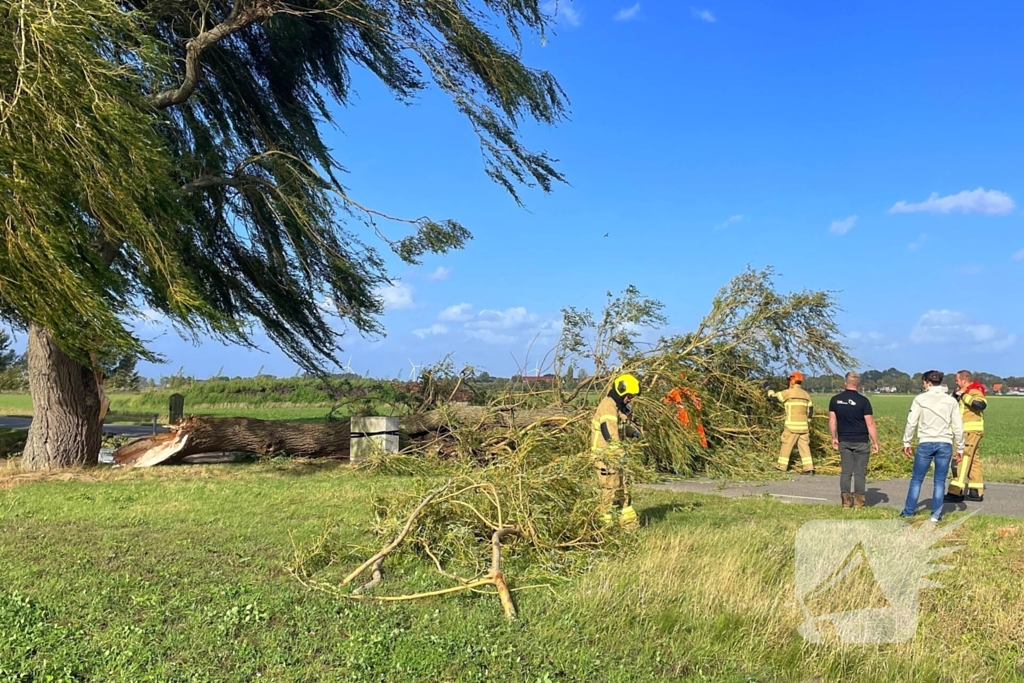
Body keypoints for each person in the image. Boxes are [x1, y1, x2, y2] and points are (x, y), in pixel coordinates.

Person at [901, 370, 964, 523]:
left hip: (926, 441)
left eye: (923, 382)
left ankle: (908, 511)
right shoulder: (951, 401)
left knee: (917, 479)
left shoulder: (920, 399)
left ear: (928, 382)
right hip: (945, 443)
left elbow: (911, 422)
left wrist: (907, 442)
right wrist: (960, 447)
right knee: (940, 481)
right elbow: (958, 426)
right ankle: (936, 515)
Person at [591, 373, 641, 527]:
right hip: (605, 456)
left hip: (614, 457)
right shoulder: (608, 405)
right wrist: (618, 451)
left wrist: (632, 432)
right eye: (628, 396)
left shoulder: (616, 407)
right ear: (621, 390)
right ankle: (605, 526)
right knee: (609, 489)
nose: (630, 399)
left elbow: (619, 427)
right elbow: (608, 430)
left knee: (623, 488)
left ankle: (627, 524)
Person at [828, 372, 880, 509]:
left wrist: (834, 438)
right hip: (861, 441)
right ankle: (859, 503)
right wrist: (875, 442)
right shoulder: (864, 401)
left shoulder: (835, 400)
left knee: (846, 472)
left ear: (845, 383)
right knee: (859, 473)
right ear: (859, 385)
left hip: (844, 440)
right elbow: (870, 424)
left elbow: (832, 421)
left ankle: (845, 502)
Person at [945, 370, 987, 503]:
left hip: (969, 432)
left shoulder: (974, 391)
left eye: (957, 380)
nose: (956, 383)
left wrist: (964, 395)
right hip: (971, 431)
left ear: (964, 380)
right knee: (974, 461)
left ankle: (955, 492)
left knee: (961, 460)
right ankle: (975, 491)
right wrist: (957, 395)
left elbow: (981, 405)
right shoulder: (963, 392)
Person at [768, 371, 815, 474]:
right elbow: (810, 411)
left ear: (793, 381)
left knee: (786, 445)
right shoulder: (806, 394)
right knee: (804, 447)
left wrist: (769, 390)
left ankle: (781, 466)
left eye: (790, 380)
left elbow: (773, 398)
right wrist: (807, 421)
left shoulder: (788, 392)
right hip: (803, 427)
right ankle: (809, 468)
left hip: (791, 426)